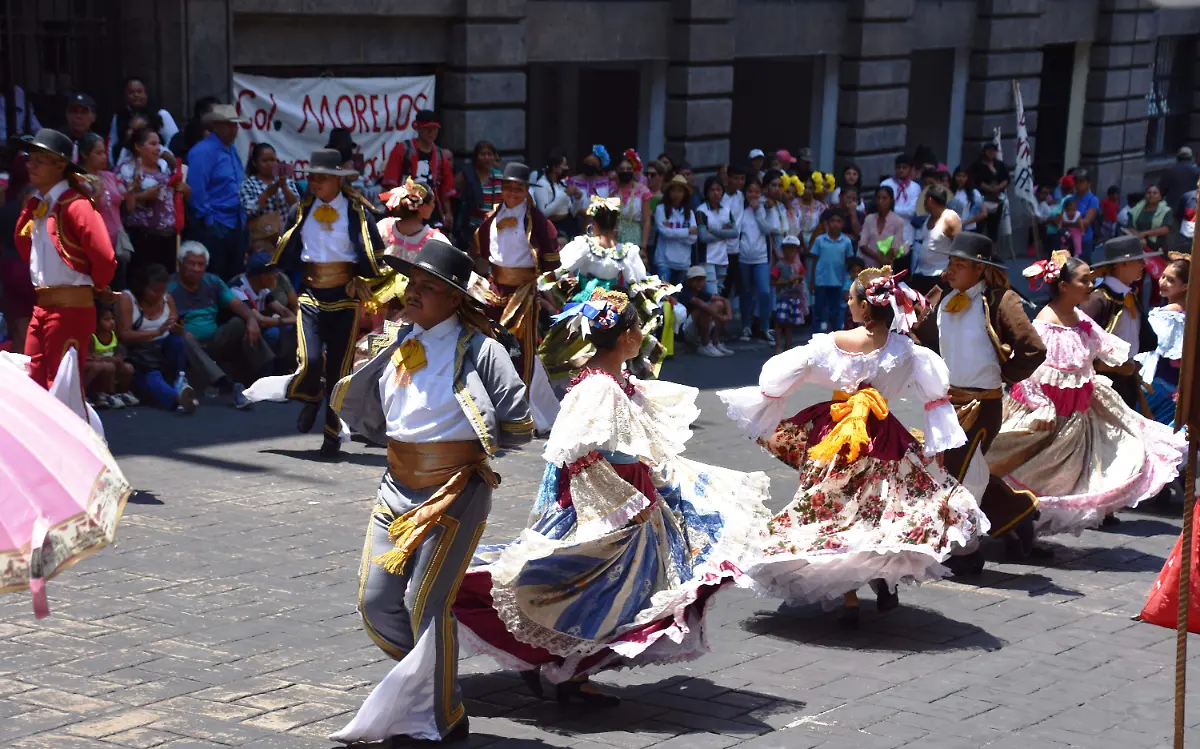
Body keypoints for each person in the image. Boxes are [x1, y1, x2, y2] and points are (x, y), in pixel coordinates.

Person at [453, 289, 770, 704]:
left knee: (611, 592)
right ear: (626, 337)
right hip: (608, 503)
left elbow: (636, 440)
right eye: (638, 327)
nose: (642, 333)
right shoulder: (597, 388)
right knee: (584, 590)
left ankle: (564, 669)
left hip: (632, 494)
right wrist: (615, 509)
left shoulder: (616, 380)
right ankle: (562, 670)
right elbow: (577, 457)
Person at [327, 241, 532, 747]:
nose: (412, 295)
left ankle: (444, 717)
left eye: (427, 288)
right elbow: (369, 402)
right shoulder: (394, 340)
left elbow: (520, 420)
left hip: (454, 490)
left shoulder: (482, 349)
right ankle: (433, 688)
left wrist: (476, 441)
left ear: (455, 299)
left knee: (425, 604)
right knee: (376, 602)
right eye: (411, 286)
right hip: (394, 488)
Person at [718, 266, 986, 628]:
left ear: (863, 307)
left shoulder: (831, 345)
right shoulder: (908, 351)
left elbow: (778, 379)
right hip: (884, 438)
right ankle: (881, 578)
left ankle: (849, 600)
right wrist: (937, 441)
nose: (847, 302)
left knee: (833, 510)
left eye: (851, 297)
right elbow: (934, 397)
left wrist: (768, 402)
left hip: (835, 437)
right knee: (880, 510)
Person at [988, 252, 1186, 536]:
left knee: (1108, 459)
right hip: (1045, 417)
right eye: (1085, 280)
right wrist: (1041, 405)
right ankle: (1016, 530)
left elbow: (1103, 349)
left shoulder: (1080, 318)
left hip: (1078, 414)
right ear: (1064, 285)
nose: (1091, 285)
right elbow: (1030, 370)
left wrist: (1123, 365)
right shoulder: (1045, 324)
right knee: (1033, 474)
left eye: (1091, 279)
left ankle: (1024, 533)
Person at [235, 149, 385, 455]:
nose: (314, 183)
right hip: (311, 296)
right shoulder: (301, 209)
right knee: (311, 361)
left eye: (321, 178)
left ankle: (331, 438)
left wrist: (360, 278)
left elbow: (374, 253)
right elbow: (289, 249)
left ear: (336, 181)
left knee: (339, 372)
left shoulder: (358, 211)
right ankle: (311, 393)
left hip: (345, 298)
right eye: (312, 177)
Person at [912, 232, 1046, 573]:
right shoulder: (941, 296)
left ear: (981, 269)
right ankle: (1017, 515)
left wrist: (1001, 376)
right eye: (950, 263)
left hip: (981, 406)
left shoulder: (1000, 300)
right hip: (945, 403)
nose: (950, 271)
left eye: (960, 265)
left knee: (961, 476)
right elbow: (920, 333)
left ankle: (966, 553)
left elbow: (1033, 348)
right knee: (964, 470)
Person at [12, 129, 117, 391]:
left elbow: (105, 256)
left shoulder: (75, 205)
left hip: (70, 309)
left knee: (61, 388)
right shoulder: (37, 204)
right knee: (35, 386)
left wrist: (98, 286)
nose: (31, 164)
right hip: (42, 307)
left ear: (60, 165)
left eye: (39, 159)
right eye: (30, 158)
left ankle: (77, 433)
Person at [471, 162, 560, 388]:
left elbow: (550, 256)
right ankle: (494, 390)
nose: (512, 193)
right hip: (494, 290)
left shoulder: (535, 219)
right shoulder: (492, 216)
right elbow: (482, 250)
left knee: (518, 347)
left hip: (522, 293)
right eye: (508, 188)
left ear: (526, 190)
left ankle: (522, 398)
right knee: (492, 341)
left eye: (518, 189)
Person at [169, 240, 273, 409]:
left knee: (239, 322)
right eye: (191, 264)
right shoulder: (170, 287)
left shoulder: (213, 282)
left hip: (214, 341)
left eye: (201, 264)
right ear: (180, 264)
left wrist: (252, 319)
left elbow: (237, 304)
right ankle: (229, 386)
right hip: (188, 345)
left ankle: (267, 375)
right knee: (184, 339)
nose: (196, 268)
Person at [1079, 235, 1159, 413]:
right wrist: (1111, 367)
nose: (1143, 265)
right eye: (1139, 261)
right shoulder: (1097, 300)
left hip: (1127, 379)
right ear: (1122, 264)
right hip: (1103, 384)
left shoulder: (1130, 295)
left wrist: (1130, 366)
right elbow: (1079, 347)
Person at [117, 262, 197, 413]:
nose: (160, 295)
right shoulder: (127, 298)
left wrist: (178, 328)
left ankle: (180, 380)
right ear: (142, 287)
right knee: (152, 378)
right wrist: (156, 332)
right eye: (154, 291)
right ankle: (177, 399)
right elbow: (124, 335)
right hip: (141, 354)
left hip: (164, 350)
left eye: (163, 291)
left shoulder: (167, 298)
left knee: (179, 341)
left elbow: (174, 327)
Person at [186, 104, 247, 280]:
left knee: (234, 275)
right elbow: (197, 190)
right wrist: (208, 219)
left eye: (235, 125)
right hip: (215, 222)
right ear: (216, 125)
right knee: (215, 275)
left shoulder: (231, 149)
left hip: (236, 221)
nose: (234, 129)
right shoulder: (203, 151)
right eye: (229, 125)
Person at [120, 126, 187, 275]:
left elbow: (183, 195)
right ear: (138, 146)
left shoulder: (164, 170)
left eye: (159, 144)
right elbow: (119, 204)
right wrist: (142, 196)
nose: (158, 149)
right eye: (153, 144)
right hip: (142, 238)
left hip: (168, 237)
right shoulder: (126, 171)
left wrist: (184, 188)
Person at [1136, 253, 1189, 426]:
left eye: (1171, 280)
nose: (1163, 282)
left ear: (1185, 286)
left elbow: (1151, 348)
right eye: (1163, 276)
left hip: (1157, 383)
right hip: (1175, 387)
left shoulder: (1169, 315)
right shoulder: (1188, 313)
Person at [380, 109, 456, 227]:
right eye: (427, 129)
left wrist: (448, 213)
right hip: (406, 210)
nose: (431, 133)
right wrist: (396, 209)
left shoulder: (440, 155)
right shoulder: (402, 150)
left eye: (434, 129)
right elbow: (391, 183)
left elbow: (446, 189)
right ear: (417, 128)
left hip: (432, 212)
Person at [76, 133, 128, 287]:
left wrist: (134, 189)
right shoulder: (78, 181)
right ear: (85, 154)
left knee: (119, 289)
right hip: (95, 247)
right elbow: (84, 213)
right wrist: (97, 194)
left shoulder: (111, 177)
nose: (104, 157)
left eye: (104, 152)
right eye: (98, 153)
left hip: (117, 243)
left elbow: (127, 202)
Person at [229, 252, 297, 357]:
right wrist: (290, 320)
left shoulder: (262, 288)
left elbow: (283, 311)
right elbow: (261, 321)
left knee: (290, 330)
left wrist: (292, 320)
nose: (277, 274)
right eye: (273, 271)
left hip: (259, 333)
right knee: (274, 333)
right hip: (240, 337)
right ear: (262, 276)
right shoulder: (238, 289)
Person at [239, 142, 299, 254]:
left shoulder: (287, 180)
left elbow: (296, 206)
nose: (270, 164)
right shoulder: (249, 184)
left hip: (286, 240)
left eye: (272, 160)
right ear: (255, 163)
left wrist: (283, 186)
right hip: (263, 242)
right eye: (265, 161)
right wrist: (267, 194)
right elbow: (249, 211)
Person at [107, 77, 180, 165]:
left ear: (146, 94)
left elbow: (173, 140)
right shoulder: (119, 116)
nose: (136, 95)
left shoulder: (160, 114)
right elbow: (112, 143)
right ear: (125, 96)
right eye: (131, 92)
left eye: (139, 92)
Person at [738, 178, 774, 343]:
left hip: (761, 258)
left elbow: (769, 229)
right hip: (744, 258)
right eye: (750, 191)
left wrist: (759, 211)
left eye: (757, 192)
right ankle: (746, 325)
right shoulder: (741, 211)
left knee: (764, 292)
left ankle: (765, 327)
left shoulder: (766, 209)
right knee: (746, 293)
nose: (753, 195)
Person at [809, 208, 856, 333]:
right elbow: (814, 261)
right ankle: (815, 336)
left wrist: (847, 283)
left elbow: (848, 262)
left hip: (838, 281)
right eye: (832, 221)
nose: (835, 224)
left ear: (843, 224)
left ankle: (835, 337)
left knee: (835, 312)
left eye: (839, 221)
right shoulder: (820, 240)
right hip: (821, 280)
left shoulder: (846, 242)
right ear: (827, 223)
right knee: (818, 309)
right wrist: (812, 281)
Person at [909, 184, 961, 296]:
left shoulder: (950, 218)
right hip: (921, 273)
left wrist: (949, 271)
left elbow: (959, 248)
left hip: (939, 275)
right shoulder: (929, 217)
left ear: (930, 200)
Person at [84, 305, 137, 409]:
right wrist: (110, 360)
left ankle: (122, 393)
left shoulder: (113, 335)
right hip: (99, 368)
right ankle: (103, 394)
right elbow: (91, 357)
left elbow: (117, 353)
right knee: (108, 367)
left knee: (128, 368)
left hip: (110, 365)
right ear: (97, 322)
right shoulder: (93, 338)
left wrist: (118, 359)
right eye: (106, 319)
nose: (111, 322)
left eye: (112, 319)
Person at [454, 140, 503, 249]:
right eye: (483, 154)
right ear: (476, 157)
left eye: (489, 154)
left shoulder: (500, 177)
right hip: (472, 229)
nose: (486, 158)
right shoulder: (466, 175)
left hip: (495, 228)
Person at [679, 265, 733, 357]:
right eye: (696, 280)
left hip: (696, 327)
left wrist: (728, 315)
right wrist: (720, 317)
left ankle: (715, 342)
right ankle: (705, 344)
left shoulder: (701, 292)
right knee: (704, 309)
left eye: (702, 280)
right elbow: (701, 304)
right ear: (689, 281)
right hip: (685, 330)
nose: (699, 283)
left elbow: (725, 300)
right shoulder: (685, 292)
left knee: (719, 304)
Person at [697, 175, 738, 295]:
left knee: (719, 292)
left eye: (718, 189)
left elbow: (735, 233)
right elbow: (703, 237)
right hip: (707, 259)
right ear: (706, 192)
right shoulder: (701, 211)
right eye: (712, 190)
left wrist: (713, 230)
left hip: (723, 259)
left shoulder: (726, 210)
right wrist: (725, 232)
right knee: (712, 294)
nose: (715, 193)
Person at [652, 175, 698, 284]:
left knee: (678, 298)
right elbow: (664, 233)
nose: (676, 194)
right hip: (664, 262)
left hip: (683, 262)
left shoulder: (690, 213)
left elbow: (693, 238)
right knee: (663, 296)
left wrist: (674, 233)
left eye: (680, 191)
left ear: (685, 194)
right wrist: (687, 231)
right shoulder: (661, 209)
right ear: (669, 192)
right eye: (674, 191)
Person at [771, 235, 807, 351]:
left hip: (795, 297)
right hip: (783, 297)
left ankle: (788, 345)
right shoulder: (780, 265)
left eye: (793, 249)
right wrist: (787, 281)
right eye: (787, 249)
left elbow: (802, 275)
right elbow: (773, 282)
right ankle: (778, 345)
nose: (790, 252)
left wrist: (798, 278)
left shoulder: (798, 265)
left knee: (789, 323)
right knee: (779, 322)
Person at [970, 144, 1010, 242]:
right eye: (989, 151)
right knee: (979, 227)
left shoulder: (1000, 165)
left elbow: (1006, 179)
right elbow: (976, 180)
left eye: (993, 151)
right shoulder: (977, 165)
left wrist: (998, 187)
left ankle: (992, 253)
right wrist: (989, 188)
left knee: (994, 228)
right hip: (982, 200)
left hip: (997, 200)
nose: (991, 153)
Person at [859, 185, 906, 268]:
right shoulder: (869, 219)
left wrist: (884, 261)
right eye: (878, 198)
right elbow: (862, 244)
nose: (880, 201)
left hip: (886, 266)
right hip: (866, 266)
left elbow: (895, 246)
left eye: (884, 198)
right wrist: (878, 258)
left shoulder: (898, 222)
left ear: (891, 200)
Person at [614, 152, 652, 249]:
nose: (625, 171)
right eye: (622, 169)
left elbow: (646, 220)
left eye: (629, 169)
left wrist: (643, 246)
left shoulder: (643, 191)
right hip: (615, 235)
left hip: (635, 235)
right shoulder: (613, 190)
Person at [569, 146, 615, 222]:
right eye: (587, 163)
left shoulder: (607, 183)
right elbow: (571, 206)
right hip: (577, 224)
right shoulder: (573, 181)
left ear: (599, 166)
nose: (589, 166)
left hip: (601, 223)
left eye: (593, 164)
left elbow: (611, 205)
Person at [1128, 184, 1174, 255]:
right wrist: (1138, 238)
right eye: (1149, 193)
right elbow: (1130, 226)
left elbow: (1165, 229)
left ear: (1160, 197)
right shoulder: (1136, 209)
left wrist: (1144, 233)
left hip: (1156, 248)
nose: (1151, 195)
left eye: (1155, 193)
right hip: (1137, 246)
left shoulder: (1166, 211)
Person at [1159, 146, 1200, 215]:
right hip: (1191, 209)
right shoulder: (1197, 172)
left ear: (1177, 157)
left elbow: (1160, 192)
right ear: (1191, 158)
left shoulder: (1170, 171)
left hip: (1173, 209)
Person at [951, 166, 988, 233]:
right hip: (951, 230)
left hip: (969, 230)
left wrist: (966, 222)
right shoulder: (950, 192)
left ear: (968, 177)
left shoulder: (974, 193)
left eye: (964, 176)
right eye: (958, 176)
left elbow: (984, 213)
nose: (961, 179)